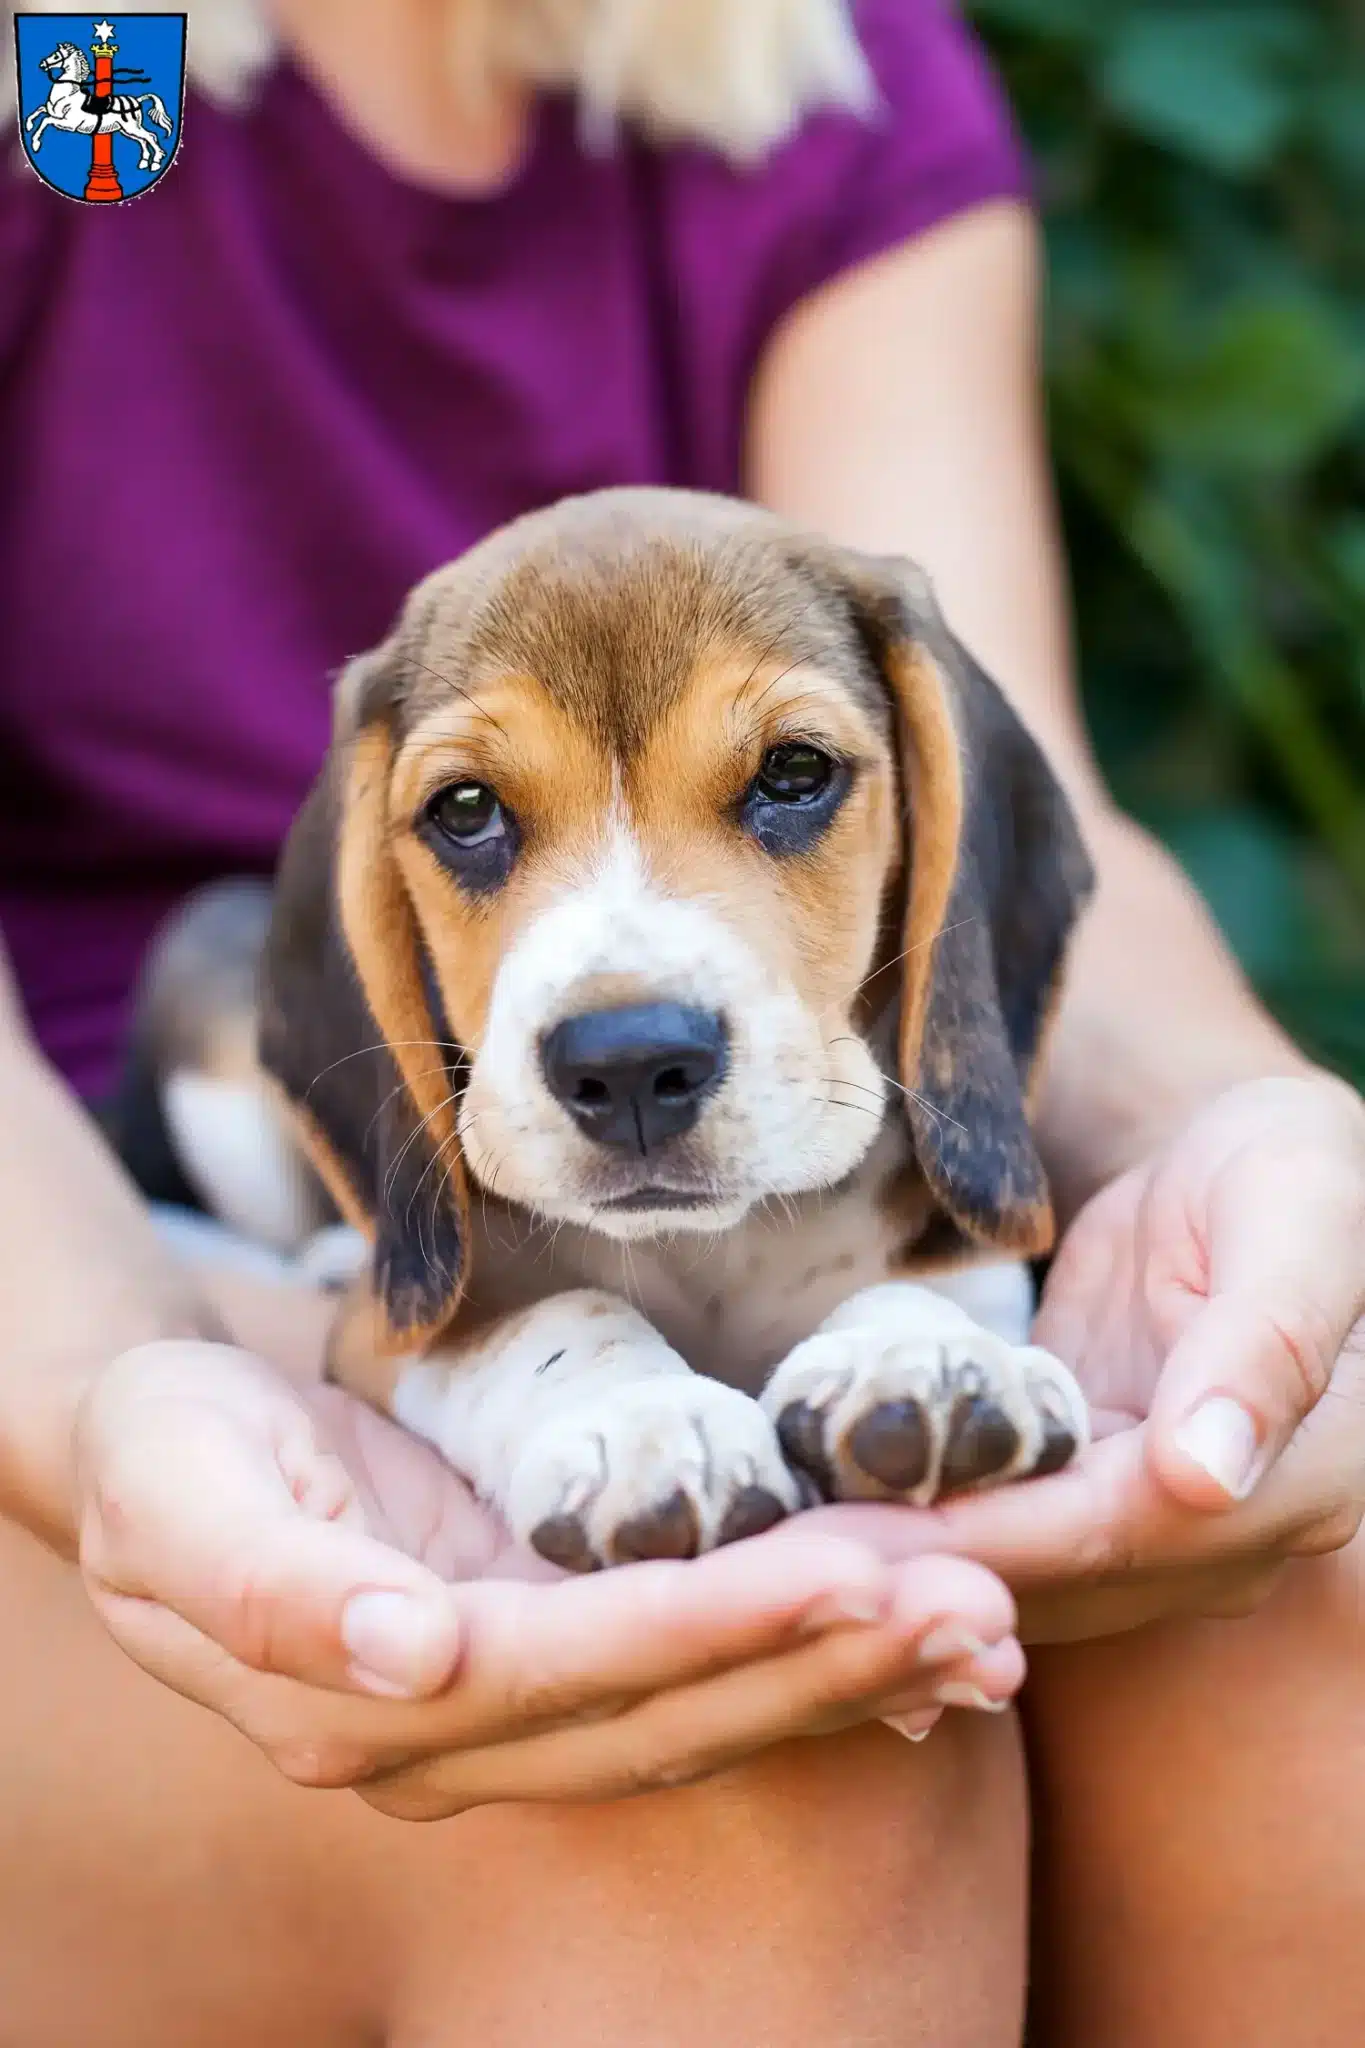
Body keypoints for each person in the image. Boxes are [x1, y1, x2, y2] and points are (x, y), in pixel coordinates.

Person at [1, 1, 1363, 2042]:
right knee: (762, 1784)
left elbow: (995, 794)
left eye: (784, 777)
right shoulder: (73, 79)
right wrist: (144, 1381)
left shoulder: (829, 68)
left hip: (781, 1191)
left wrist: (1245, 1138)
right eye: (467, 811)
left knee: (1311, 1617)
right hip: (107, 1235)